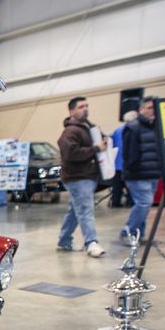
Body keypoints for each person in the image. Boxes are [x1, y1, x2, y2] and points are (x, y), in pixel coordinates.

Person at [57, 96, 107, 257]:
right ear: (72, 111)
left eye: (86, 105)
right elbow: (70, 153)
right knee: (85, 210)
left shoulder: (88, 127)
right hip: (77, 177)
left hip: (86, 176)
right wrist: (95, 148)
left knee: (75, 210)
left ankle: (64, 241)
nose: (85, 109)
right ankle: (91, 242)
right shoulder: (70, 131)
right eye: (80, 107)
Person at [121, 96, 163, 241]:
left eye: (154, 108)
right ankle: (128, 232)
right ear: (141, 109)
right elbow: (129, 155)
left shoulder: (157, 126)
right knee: (144, 203)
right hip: (137, 175)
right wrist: (132, 171)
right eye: (149, 108)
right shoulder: (133, 127)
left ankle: (139, 234)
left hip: (152, 174)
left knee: (144, 205)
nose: (153, 111)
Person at [110, 110, 138, 208]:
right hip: (128, 163)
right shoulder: (134, 130)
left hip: (117, 164)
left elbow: (112, 145)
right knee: (130, 186)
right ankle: (130, 202)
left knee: (117, 186)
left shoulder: (117, 131)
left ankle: (115, 202)